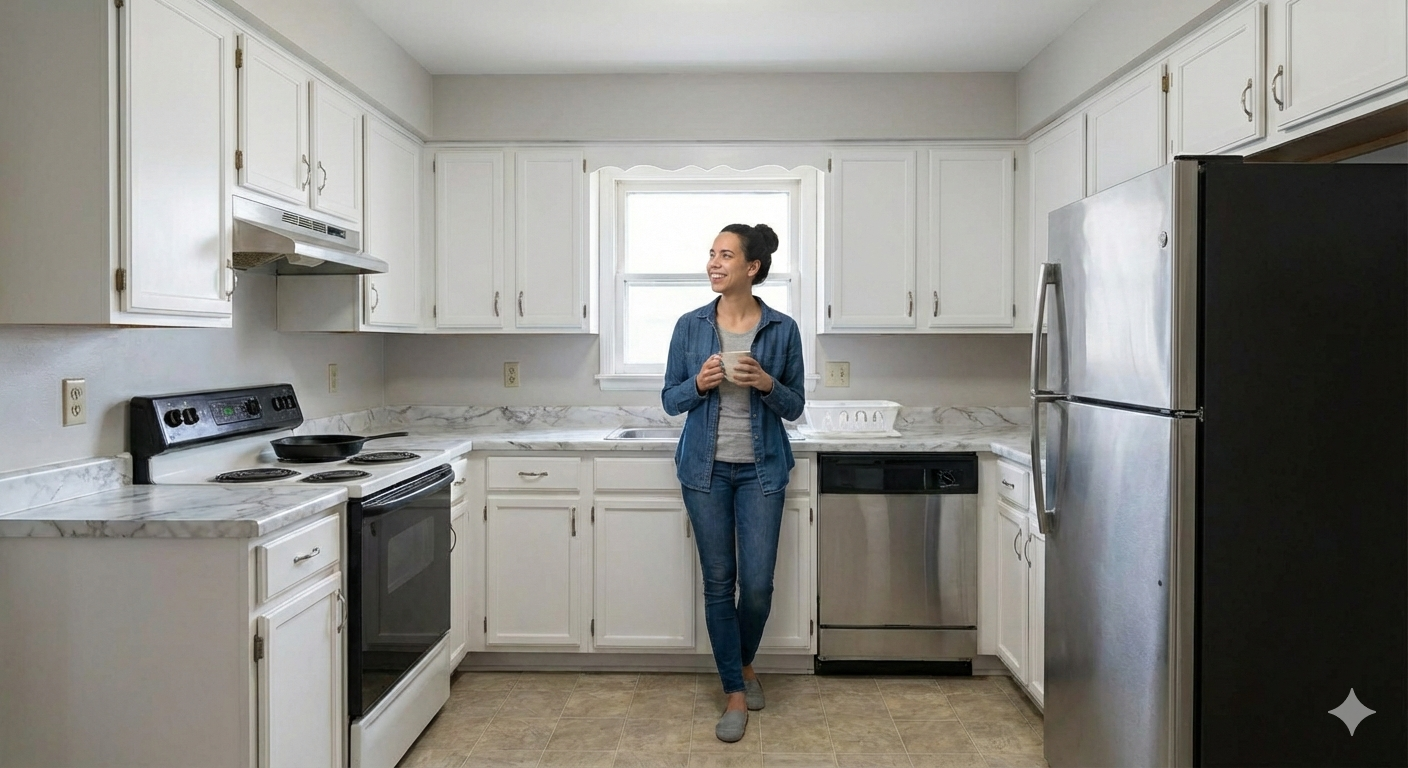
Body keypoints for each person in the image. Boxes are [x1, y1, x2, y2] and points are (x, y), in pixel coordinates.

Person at [661, 223, 806, 743]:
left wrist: (768, 384)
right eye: (711, 254)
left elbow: (796, 407)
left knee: (759, 587)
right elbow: (669, 399)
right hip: (704, 472)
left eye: (726, 255)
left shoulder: (783, 329)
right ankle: (736, 692)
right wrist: (697, 385)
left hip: (763, 470)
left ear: (752, 267)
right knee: (719, 584)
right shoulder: (690, 326)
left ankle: (742, 663)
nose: (713, 264)